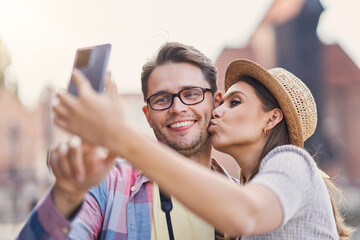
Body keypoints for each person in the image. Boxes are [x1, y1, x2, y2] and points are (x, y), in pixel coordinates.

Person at [52, 58, 354, 239]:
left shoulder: (292, 161)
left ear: (272, 118)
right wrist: (66, 192)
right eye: (161, 99)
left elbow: (244, 213)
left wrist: (120, 136)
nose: (219, 112)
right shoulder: (241, 190)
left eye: (233, 102)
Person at [17, 42, 235, 239]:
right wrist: (66, 194)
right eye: (162, 99)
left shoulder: (242, 197)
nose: (177, 108)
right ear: (148, 115)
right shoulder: (107, 182)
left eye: (191, 93)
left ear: (216, 103)